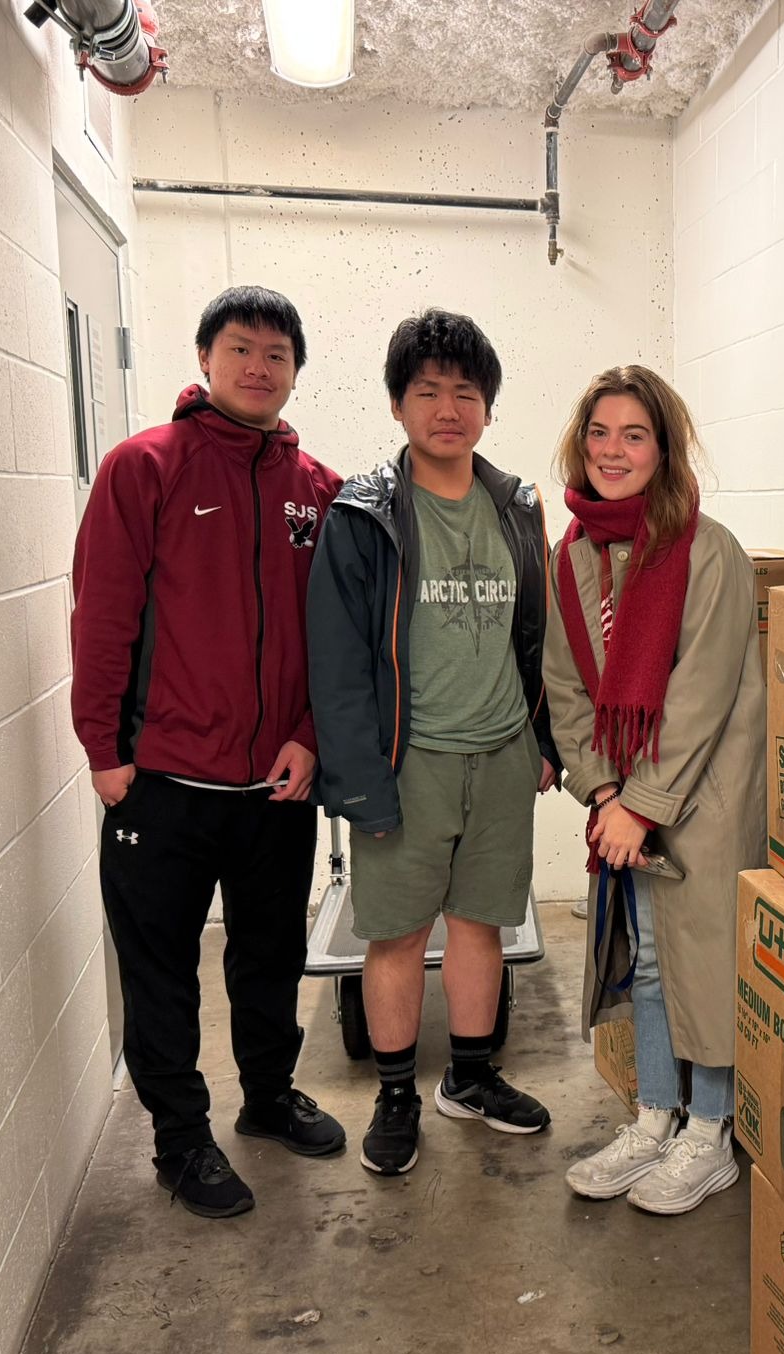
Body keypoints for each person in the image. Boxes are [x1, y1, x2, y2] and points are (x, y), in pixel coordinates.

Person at [70, 285, 348, 1219]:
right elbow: (102, 616)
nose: (258, 367)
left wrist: (309, 736)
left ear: (295, 371)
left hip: (275, 787)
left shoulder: (318, 491)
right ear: (204, 358)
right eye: (241, 349)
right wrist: (104, 751)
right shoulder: (144, 467)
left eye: (277, 354)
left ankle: (268, 1097)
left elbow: (333, 637)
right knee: (161, 971)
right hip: (163, 785)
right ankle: (180, 1140)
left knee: (270, 958)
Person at [309, 310, 561, 1177]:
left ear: (487, 407)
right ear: (397, 404)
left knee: (482, 926)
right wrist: (358, 781)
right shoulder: (364, 514)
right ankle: (395, 1095)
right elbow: (338, 662)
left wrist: (542, 740)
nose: (447, 408)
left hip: (502, 755)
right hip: (406, 761)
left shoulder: (518, 507)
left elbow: (539, 634)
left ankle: (471, 1078)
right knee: (397, 936)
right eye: (427, 391)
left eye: (465, 392)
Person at [545, 365, 766, 1215]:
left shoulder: (709, 551)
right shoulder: (573, 555)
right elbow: (565, 688)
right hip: (625, 804)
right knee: (645, 962)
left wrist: (642, 805)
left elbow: (702, 695)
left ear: (663, 450)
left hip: (703, 795)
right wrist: (605, 796)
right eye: (599, 433)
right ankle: (654, 1118)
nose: (613, 451)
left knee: (704, 963)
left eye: (633, 435)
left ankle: (709, 1134)